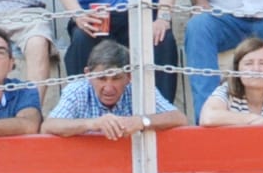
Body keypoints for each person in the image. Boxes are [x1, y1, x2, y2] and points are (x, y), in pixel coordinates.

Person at [56, 0, 180, 103]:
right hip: (98, 16)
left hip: (142, 15)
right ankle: (81, 106)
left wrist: (163, 18)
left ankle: (162, 111)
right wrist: (79, 15)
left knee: (162, 38)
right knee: (82, 38)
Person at [41, 39, 185, 138]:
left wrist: (142, 121)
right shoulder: (77, 90)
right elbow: (48, 127)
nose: (108, 88)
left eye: (116, 78)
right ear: (88, 75)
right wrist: (93, 123)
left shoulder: (139, 89)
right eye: (102, 79)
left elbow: (179, 118)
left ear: (129, 77)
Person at [197, 36, 263, 126]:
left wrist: (257, 124)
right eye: (249, 63)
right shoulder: (228, 87)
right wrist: (251, 118)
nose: (256, 69)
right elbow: (207, 117)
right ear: (238, 69)